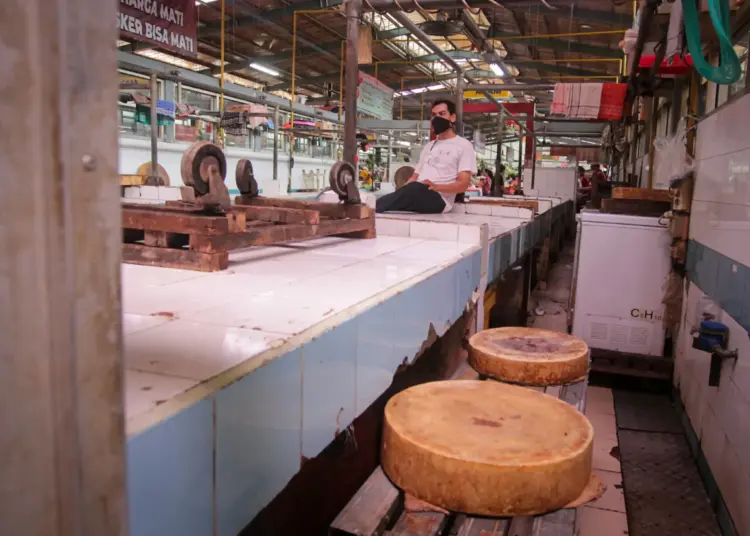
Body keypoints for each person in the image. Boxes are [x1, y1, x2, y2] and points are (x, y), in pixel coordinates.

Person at [376, 99, 477, 214]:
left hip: (440, 199)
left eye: (442, 114)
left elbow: (463, 185)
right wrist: (403, 189)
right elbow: (414, 177)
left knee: (415, 189)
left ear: (452, 117)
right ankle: (373, 207)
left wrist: (436, 187)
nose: (437, 118)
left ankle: (372, 207)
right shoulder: (429, 146)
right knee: (410, 189)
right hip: (419, 192)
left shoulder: (463, 145)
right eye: (434, 115)